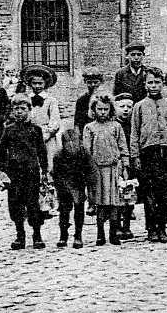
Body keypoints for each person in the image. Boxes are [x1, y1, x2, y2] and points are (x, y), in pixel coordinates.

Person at [131, 66, 167, 242]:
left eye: (157, 82)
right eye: (150, 82)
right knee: (150, 193)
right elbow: (134, 132)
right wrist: (135, 156)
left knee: (165, 194)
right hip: (148, 152)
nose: (153, 86)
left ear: (163, 84)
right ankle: (151, 228)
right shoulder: (139, 106)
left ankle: (162, 227)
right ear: (145, 84)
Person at [0, 93, 47, 250]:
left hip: (31, 173)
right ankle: (20, 235)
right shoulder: (8, 130)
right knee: (15, 204)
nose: (19, 112)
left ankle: (37, 235)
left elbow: (42, 151)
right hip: (14, 174)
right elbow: (0, 151)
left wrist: (45, 170)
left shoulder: (36, 129)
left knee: (33, 204)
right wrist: (2, 170)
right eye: (16, 109)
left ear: (29, 110)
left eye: (23, 109)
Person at [83, 90, 130, 246]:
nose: (102, 112)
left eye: (106, 109)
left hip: (114, 169)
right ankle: (100, 234)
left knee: (115, 203)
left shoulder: (116, 126)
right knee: (101, 203)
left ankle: (113, 233)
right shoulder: (89, 128)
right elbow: (87, 151)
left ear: (111, 109)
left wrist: (125, 166)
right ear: (94, 109)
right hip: (97, 170)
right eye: (99, 109)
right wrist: (88, 170)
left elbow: (123, 147)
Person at [53, 124, 92, 248]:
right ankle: (63, 235)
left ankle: (78, 236)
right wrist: (61, 187)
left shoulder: (84, 153)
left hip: (78, 184)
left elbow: (89, 170)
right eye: (67, 142)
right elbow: (56, 174)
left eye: (73, 141)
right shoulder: (58, 155)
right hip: (64, 185)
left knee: (79, 209)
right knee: (64, 211)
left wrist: (88, 185)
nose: (71, 145)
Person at [22, 66, 62, 170]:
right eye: (34, 83)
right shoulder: (26, 99)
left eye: (40, 83)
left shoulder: (51, 100)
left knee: (48, 163)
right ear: (30, 84)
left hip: (46, 136)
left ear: (45, 83)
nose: (37, 86)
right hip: (29, 135)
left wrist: (45, 135)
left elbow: (55, 121)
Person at [113, 91, 137, 236]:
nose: (126, 110)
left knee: (129, 194)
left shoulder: (134, 125)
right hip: (116, 164)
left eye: (129, 107)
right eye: (122, 106)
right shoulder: (113, 125)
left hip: (130, 164)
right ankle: (116, 226)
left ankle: (127, 226)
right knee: (116, 196)